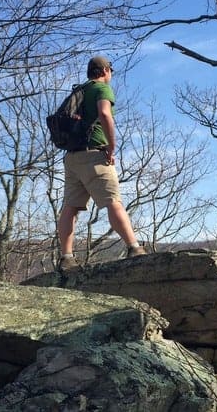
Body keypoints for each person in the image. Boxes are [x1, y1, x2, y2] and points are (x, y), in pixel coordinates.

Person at [57, 55, 147, 271]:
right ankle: (134, 248)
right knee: (113, 201)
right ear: (105, 71)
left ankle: (66, 258)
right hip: (93, 155)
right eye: (110, 71)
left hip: (71, 157)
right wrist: (111, 146)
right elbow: (105, 114)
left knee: (70, 207)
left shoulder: (79, 90)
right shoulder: (101, 89)